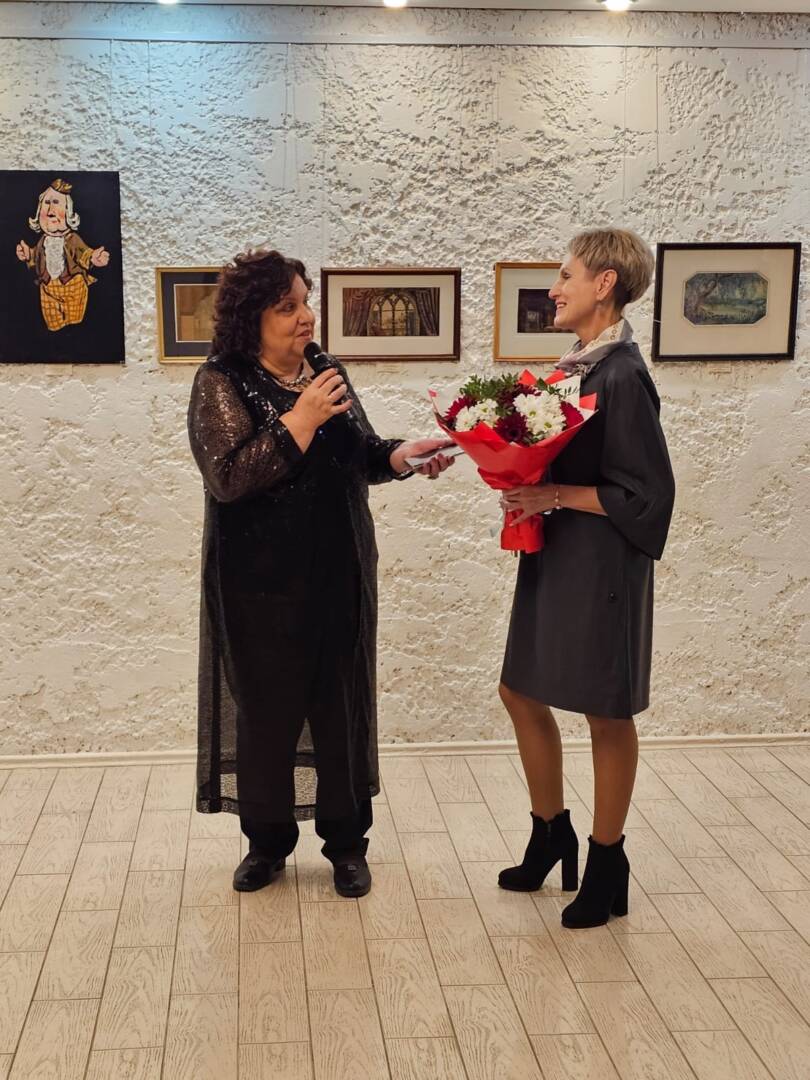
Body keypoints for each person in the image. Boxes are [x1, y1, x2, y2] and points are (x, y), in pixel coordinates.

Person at [187, 249, 454, 897]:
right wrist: (300, 418)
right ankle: (267, 844)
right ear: (252, 317)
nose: (306, 317)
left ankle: (347, 844)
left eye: (305, 302)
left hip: (339, 572)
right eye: (288, 307)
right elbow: (229, 478)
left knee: (341, 709)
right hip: (258, 584)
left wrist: (401, 456)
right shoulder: (221, 378)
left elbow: (357, 455)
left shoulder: (325, 369)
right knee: (266, 713)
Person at [497, 228, 675, 928]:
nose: (554, 289)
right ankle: (551, 833)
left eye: (566, 275)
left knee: (606, 709)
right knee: (519, 690)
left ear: (605, 284)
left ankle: (607, 863)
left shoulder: (623, 375)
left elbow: (647, 495)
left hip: (602, 561)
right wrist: (522, 479)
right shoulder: (576, 367)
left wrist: (553, 494)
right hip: (556, 550)